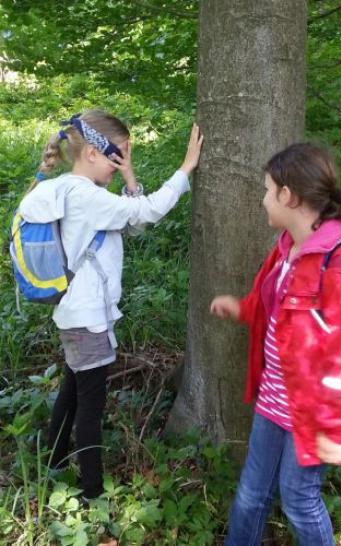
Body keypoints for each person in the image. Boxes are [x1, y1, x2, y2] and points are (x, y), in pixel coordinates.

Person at [210, 143, 341, 546]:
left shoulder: (339, 265)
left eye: (267, 190)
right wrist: (243, 309)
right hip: (276, 398)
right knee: (251, 492)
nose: (263, 199)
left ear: (288, 195)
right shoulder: (289, 247)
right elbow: (282, 309)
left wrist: (334, 427)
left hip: (315, 412)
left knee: (298, 498)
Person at [18, 110, 203, 500]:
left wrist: (130, 173)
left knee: (72, 388)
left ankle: (52, 461)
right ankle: (91, 493)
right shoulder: (86, 198)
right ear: (90, 154)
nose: (118, 167)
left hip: (76, 316)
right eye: (114, 158)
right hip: (87, 319)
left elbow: (132, 225)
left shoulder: (75, 191)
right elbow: (147, 211)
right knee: (90, 407)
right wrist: (185, 170)